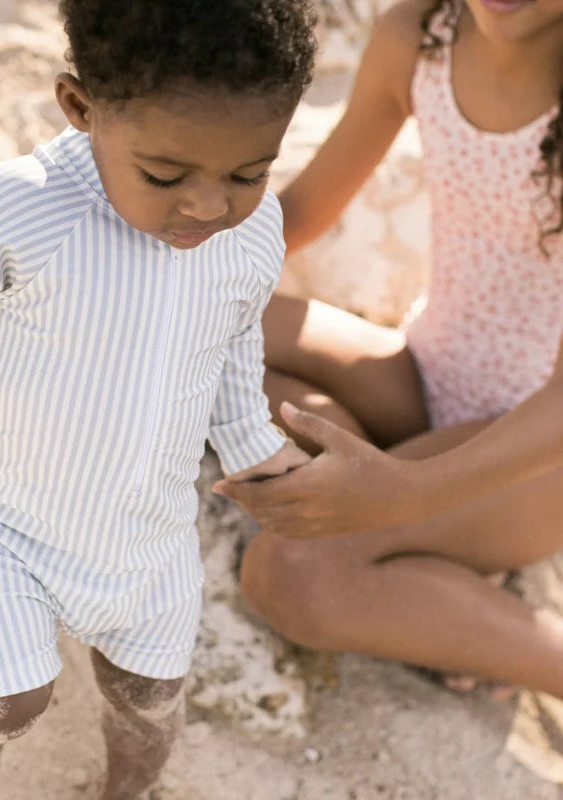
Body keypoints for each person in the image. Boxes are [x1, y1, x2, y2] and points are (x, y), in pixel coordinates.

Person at [0, 1, 317, 797]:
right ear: (80, 109)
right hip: (11, 526)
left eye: (249, 171)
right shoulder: (29, 205)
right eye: (165, 175)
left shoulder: (249, 233)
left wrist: (251, 444)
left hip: (148, 535)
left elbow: (233, 340)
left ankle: (123, 792)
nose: (209, 205)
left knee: (148, 710)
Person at [214, 0, 563, 699]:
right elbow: (305, 210)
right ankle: (438, 555)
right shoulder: (421, 35)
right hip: (427, 366)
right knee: (208, 325)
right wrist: (155, 268)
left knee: (289, 576)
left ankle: (522, 640)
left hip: (537, 459)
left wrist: (409, 494)